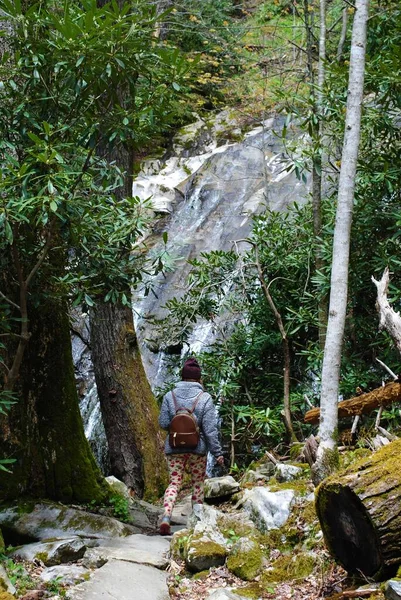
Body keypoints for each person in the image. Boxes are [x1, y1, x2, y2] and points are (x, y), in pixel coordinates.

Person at [158, 357, 224, 535]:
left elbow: (163, 423)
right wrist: (217, 453)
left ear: (182, 376)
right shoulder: (204, 398)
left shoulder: (169, 396)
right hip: (197, 449)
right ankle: (198, 522)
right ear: (199, 378)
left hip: (174, 447)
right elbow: (210, 430)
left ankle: (166, 515)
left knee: (174, 482)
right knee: (197, 484)